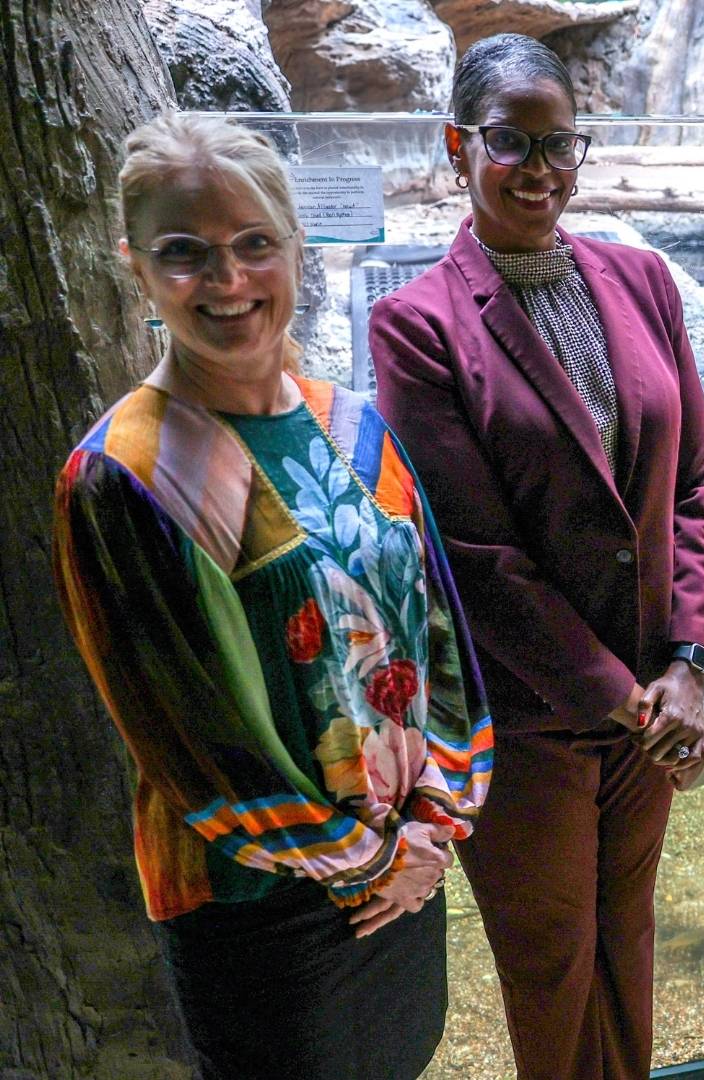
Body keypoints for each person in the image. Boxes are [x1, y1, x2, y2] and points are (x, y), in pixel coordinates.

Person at [51, 113, 492, 1080]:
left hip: (404, 867)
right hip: (258, 901)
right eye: (186, 254)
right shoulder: (119, 476)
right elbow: (185, 737)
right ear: (136, 267)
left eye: (255, 245)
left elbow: (441, 632)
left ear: (296, 249)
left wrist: (435, 824)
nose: (229, 281)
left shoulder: (354, 421)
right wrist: (370, 859)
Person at [367, 33, 704, 1080]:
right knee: (552, 964)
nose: (538, 167)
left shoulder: (643, 279)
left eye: (557, 141)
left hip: (656, 706)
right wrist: (628, 697)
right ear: (456, 148)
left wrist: (688, 668)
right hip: (530, 723)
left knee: (630, 949)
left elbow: (696, 485)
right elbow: (476, 557)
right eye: (511, 141)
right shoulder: (418, 326)